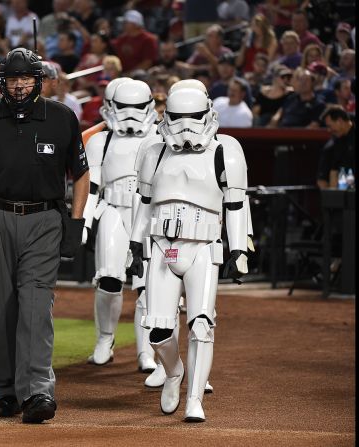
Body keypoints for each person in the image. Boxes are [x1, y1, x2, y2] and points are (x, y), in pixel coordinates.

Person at [0, 47, 90, 424]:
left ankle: (37, 392)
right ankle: (5, 392)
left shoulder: (62, 117)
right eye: (12, 78)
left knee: (35, 306)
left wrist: (77, 222)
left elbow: (80, 174)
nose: (19, 85)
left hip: (45, 219)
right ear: (2, 81)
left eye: (26, 78)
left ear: (39, 80)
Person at [127, 81, 250, 422]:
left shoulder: (226, 150)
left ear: (207, 114)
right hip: (162, 246)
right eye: (176, 117)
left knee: (200, 325)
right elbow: (145, 202)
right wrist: (136, 244)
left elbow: (237, 203)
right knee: (159, 330)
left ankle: (195, 398)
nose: (184, 125)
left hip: (204, 247)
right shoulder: (154, 150)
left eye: (192, 117)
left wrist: (239, 250)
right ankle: (174, 370)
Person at [79, 79, 161, 375]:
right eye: (124, 107)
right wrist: (84, 222)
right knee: (109, 278)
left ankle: (146, 349)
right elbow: (91, 188)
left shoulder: (160, 137)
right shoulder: (101, 141)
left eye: (137, 107)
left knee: (148, 284)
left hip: (148, 212)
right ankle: (104, 340)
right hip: (112, 208)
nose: (130, 114)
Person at [316, 105, 355, 189]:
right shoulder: (333, 144)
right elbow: (332, 170)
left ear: (340, 121)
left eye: (330, 126)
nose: (329, 130)